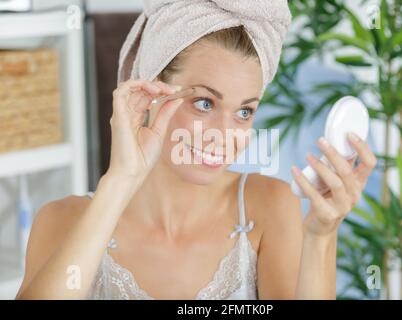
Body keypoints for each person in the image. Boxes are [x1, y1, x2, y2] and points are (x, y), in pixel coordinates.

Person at [16, 1, 376, 300]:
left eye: (244, 111)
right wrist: (121, 181)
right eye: (204, 103)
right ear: (151, 93)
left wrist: (322, 235)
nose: (225, 134)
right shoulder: (61, 221)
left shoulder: (267, 207)